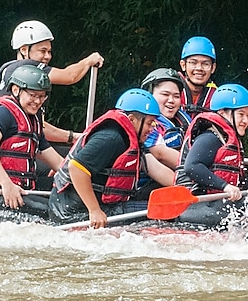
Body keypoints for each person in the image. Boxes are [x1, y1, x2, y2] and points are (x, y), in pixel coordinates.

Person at [48, 88, 164, 227]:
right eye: (149, 123)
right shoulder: (111, 138)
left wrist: (186, 189)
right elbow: (76, 168)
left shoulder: (131, 138)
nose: (152, 129)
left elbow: (155, 168)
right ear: (132, 120)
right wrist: (94, 210)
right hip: (73, 213)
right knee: (158, 215)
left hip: (100, 206)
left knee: (157, 208)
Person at [0, 64, 64, 222]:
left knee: (65, 194)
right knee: (56, 212)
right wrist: (6, 184)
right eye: (33, 95)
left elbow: (57, 162)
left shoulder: (34, 121)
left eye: (42, 96)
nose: (37, 101)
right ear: (15, 90)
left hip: (22, 188)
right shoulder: (0, 113)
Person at [0, 19, 105, 144]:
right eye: (42, 51)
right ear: (23, 50)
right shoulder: (25, 67)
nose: (48, 56)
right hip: (8, 144)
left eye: (49, 51)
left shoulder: (8, 68)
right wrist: (88, 61)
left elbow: (39, 128)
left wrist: (74, 137)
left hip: (15, 140)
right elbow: (69, 76)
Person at [174, 83, 248, 227]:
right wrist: (225, 186)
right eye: (241, 114)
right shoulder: (210, 137)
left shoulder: (226, 139)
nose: (245, 120)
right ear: (222, 113)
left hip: (211, 204)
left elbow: (239, 182)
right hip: (195, 207)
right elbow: (192, 167)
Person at [140, 67, 193, 169]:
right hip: (151, 182)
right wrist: (201, 168)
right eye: (165, 94)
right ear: (149, 94)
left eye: (176, 96)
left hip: (183, 175)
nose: (171, 100)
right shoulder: (143, 122)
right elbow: (160, 154)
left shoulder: (183, 119)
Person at [177, 36, 218, 117]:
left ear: (213, 68)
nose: (199, 68)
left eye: (205, 64)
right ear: (183, 65)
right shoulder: (171, 90)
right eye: (193, 63)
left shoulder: (217, 97)